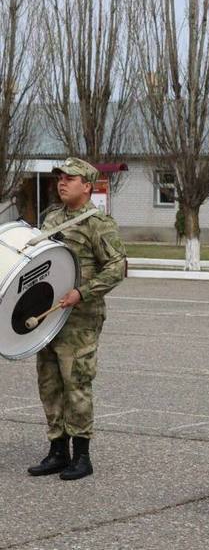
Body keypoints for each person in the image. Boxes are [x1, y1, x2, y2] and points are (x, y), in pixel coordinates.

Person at [27, 158, 126, 481]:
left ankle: (82, 456)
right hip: (48, 317)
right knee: (50, 383)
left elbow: (117, 267)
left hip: (80, 319)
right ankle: (58, 450)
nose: (62, 183)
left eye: (70, 178)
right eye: (60, 178)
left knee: (76, 384)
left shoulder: (99, 224)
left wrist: (82, 292)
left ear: (87, 186)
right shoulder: (52, 218)